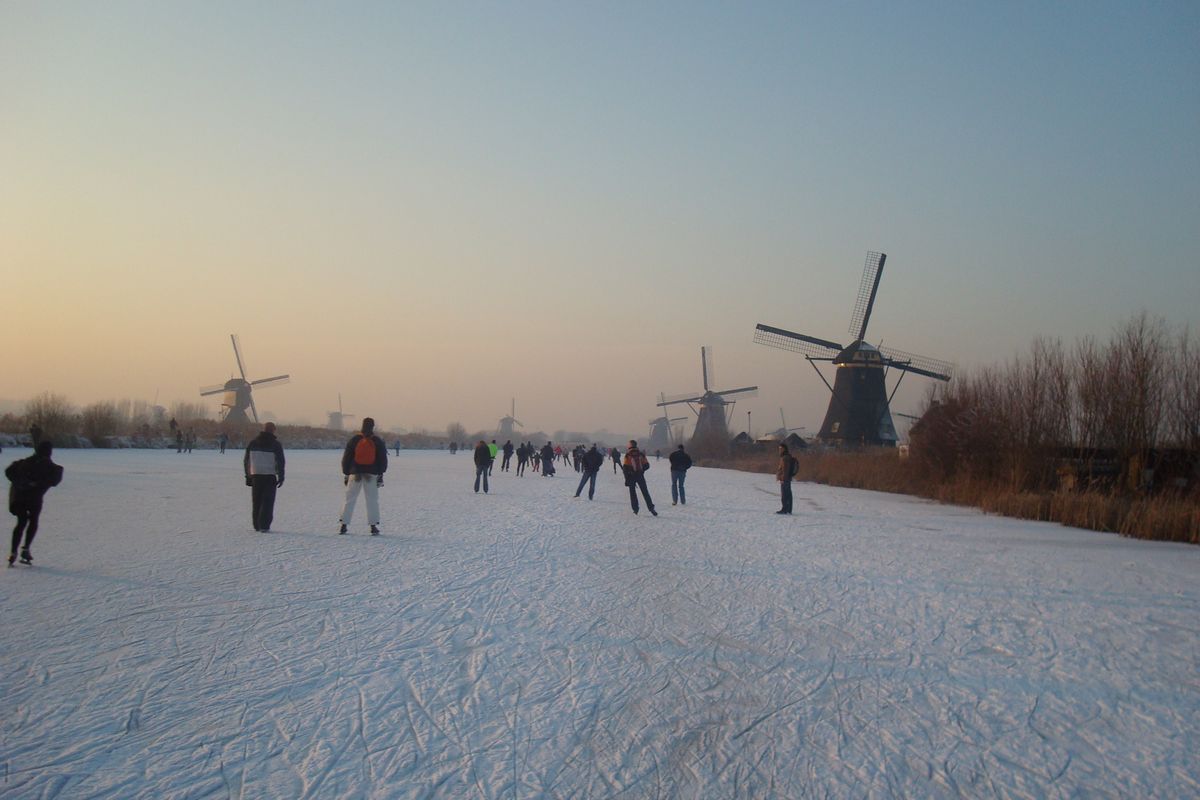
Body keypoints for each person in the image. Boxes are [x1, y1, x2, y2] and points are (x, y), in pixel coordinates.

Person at [6, 441, 63, 566]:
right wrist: (36, 483)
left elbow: (9, 471)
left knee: (21, 522)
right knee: (33, 520)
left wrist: (21, 482)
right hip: (34, 498)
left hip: (19, 497)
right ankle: (25, 548)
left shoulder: (23, 463)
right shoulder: (49, 466)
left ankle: (13, 551)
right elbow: (55, 480)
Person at [339, 417, 388, 535]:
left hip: (355, 473)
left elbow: (347, 457)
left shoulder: (355, 439)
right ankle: (373, 526)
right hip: (371, 474)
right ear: (373, 426)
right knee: (372, 500)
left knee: (349, 499)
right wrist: (381, 472)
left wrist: (346, 472)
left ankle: (343, 525)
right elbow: (382, 458)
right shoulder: (377, 440)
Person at [244, 422, 285, 532]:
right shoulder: (276, 445)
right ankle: (264, 525)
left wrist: (248, 476)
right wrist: (281, 476)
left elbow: (247, 460)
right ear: (273, 430)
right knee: (267, 502)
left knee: (256, 501)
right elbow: (281, 461)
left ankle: (256, 525)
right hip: (269, 475)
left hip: (256, 475)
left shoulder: (253, 443)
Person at [622, 440, 657, 516]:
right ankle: (651, 508)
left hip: (631, 476)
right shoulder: (641, 454)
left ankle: (635, 509)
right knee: (645, 492)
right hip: (640, 475)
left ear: (630, 445)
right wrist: (641, 470)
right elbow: (647, 465)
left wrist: (626, 478)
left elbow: (625, 467)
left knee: (632, 493)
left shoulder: (628, 454)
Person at [776, 443, 798, 515]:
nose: (779, 450)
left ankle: (785, 509)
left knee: (785, 494)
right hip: (786, 479)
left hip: (785, 479)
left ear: (784, 449)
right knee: (787, 494)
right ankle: (787, 509)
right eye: (779, 449)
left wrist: (782, 478)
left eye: (780, 449)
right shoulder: (786, 457)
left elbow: (785, 469)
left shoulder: (785, 458)